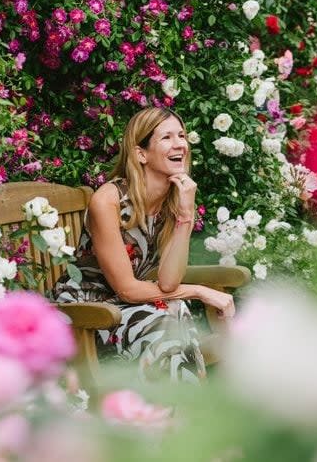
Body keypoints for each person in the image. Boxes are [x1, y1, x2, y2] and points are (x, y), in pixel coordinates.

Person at [51, 107, 235, 382]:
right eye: (167, 138)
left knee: (174, 311)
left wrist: (186, 217)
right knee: (167, 319)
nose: (180, 144)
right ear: (141, 154)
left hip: (127, 308)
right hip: (85, 314)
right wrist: (201, 292)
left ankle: (175, 414)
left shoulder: (173, 201)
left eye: (182, 136)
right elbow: (127, 289)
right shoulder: (109, 201)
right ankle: (178, 415)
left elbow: (169, 284)